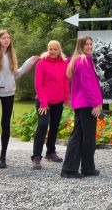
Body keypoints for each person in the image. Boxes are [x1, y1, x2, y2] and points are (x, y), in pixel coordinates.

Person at [0, 29, 39, 169]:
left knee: (6, 126)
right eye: (3, 38)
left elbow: (15, 75)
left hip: (9, 94)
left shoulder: (12, 56)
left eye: (8, 38)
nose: (6, 40)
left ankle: (3, 158)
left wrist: (30, 62)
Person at [60, 35, 102, 179]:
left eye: (91, 44)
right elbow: (87, 84)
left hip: (82, 104)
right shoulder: (83, 60)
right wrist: (95, 103)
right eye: (86, 44)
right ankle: (74, 170)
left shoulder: (80, 59)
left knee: (80, 136)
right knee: (85, 138)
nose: (89, 46)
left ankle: (83, 168)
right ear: (81, 46)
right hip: (87, 104)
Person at [31, 40, 70, 170]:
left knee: (54, 126)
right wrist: (43, 102)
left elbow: (65, 82)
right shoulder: (41, 64)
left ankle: (50, 152)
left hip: (58, 101)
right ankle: (36, 157)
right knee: (42, 126)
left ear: (59, 50)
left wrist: (66, 98)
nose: (52, 51)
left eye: (55, 49)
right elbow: (38, 84)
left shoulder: (64, 64)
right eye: (50, 49)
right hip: (43, 102)